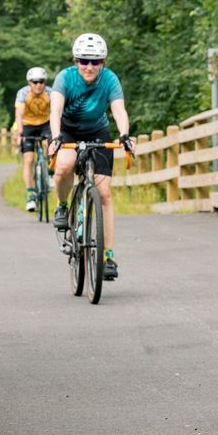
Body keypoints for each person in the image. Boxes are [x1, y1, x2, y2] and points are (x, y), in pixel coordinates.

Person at [48, 33, 135, 280]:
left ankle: (108, 256)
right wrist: (56, 138)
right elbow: (55, 109)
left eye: (95, 61)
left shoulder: (109, 79)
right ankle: (63, 206)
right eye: (84, 61)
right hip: (67, 130)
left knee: (104, 193)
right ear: (76, 61)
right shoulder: (65, 78)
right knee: (65, 165)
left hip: (97, 131)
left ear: (103, 63)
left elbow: (119, 109)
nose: (89, 67)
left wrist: (125, 134)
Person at [14, 66, 52, 212]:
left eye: (41, 82)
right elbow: (19, 114)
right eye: (35, 82)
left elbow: (56, 111)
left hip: (45, 124)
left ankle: (50, 172)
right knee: (28, 159)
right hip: (28, 125)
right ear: (29, 83)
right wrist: (20, 133)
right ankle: (30, 194)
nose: (38, 85)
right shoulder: (23, 93)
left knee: (51, 145)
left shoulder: (50, 92)